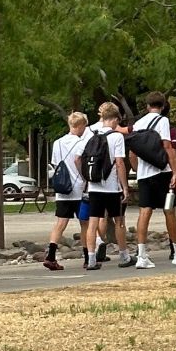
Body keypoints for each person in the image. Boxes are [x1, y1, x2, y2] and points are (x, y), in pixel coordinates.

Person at [129, 92, 176, 269]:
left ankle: (142, 255)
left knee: (144, 212)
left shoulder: (138, 124)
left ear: (147, 105)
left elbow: (132, 153)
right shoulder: (162, 121)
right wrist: (175, 172)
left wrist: (137, 169)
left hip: (144, 175)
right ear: (163, 106)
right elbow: (168, 148)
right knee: (169, 210)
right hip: (161, 173)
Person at [78, 102, 133, 269]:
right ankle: (124, 256)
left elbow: (78, 158)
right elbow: (119, 163)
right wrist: (124, 186)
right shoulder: (116, 136)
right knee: (119, 220)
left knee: (93, 221)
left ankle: (92, 259)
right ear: (115, 119)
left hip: (94, 186)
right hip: (112, 187)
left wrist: (86, 177)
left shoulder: (90, 133)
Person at [42, 112, 92, 271]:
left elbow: (56, 163)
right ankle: (87, 257)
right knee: (85, 223)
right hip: (78, 187)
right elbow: (79, 160)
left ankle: (51, 255)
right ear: (80, 126)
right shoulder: (81, 142)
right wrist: (85, 177)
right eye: (84, 126)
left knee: (60, 223)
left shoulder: (57, 143)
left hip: (63, 189)